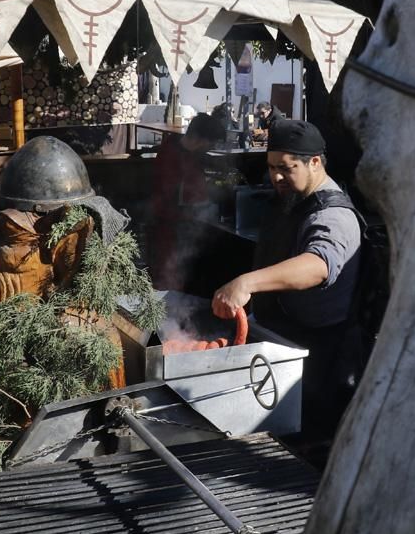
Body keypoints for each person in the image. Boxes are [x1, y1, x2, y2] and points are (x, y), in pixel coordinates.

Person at [212, 119, 366, 438]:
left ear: (314, 162)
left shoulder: (333, 214)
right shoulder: (293, 197)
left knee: (301, 447)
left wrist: (247, 283)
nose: (276, 176)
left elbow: (319, 264)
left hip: (318, 358)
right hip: (281, 341)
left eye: (285, 167)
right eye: (271, 167)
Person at [149, 113, 227, 290]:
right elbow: (172, 196)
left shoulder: (188, 152)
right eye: (211, 143)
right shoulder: (170, 156)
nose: (211, 148)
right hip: (171, 227)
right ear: (201, 139)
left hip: (184, 224)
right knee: (169, 275)